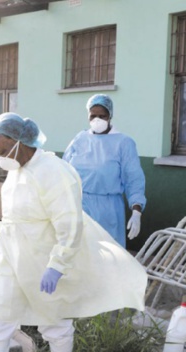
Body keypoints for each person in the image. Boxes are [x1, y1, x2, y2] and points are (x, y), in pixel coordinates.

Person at [0, 113, 147, 352]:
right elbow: (15, 213)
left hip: (42, 259)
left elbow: (70, 224)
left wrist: (57, 265)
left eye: (1, 151)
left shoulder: (54, 172)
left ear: (19, 143)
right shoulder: (16, 170)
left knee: (53, 321)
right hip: (11, 258)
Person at [63, 94, 146, 248]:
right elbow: (64, 172)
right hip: (79, 206)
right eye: (93, 116)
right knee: (80, 255)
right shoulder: (79, 139)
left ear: (110, 116)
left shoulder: (123, 143)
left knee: (107, 256)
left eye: (102, 116)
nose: (97, 120)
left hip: (108, 210)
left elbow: (133, 179)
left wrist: (136, 211)